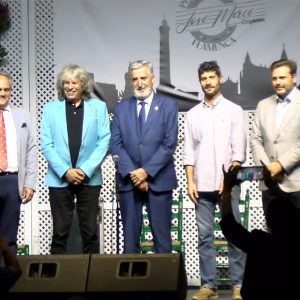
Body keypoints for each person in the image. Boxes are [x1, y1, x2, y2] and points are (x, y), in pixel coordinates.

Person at [183, 61, 246, 300]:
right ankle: (209, 285)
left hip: (227, 187)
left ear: (220, 78)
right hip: (201, 186)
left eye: (212, 77)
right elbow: (189, 152)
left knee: (235, 236)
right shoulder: (192, 114)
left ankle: (238, 284)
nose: (208, 82)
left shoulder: (234, 111)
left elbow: (239, 152)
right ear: (200, 81)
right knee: (204, 237)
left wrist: (228, 182)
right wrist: (190, 182)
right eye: (204, 78)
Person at [40, 64, 110, 254]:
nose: (70, 87)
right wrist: (66, 171)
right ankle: (55, 281)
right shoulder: (50, 109)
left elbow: (104, 141)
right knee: (59, 233)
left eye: (74, 82)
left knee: (90, 233)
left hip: (89, 179)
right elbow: (46, 144)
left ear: (83, 85)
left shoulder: (98, 107)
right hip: (59, 180)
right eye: (66, 83)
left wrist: (84, 170)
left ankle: (92, 279)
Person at [110, 59, 178, 254]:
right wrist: (134, 174)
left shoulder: (168, 106)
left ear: (153, 78)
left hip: (159, 181)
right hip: (128, 182)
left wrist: (146, 172)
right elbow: (115, 144)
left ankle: (163, 284)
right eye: (135, 79)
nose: (139, 83)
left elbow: (169, 144)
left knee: (162, 241)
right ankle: (130, 284)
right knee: (129, 242)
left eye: (143, 78)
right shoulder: (121, 108)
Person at [220, 165, 300, 299]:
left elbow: (229, 226)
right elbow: (289, 212)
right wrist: (274, 186)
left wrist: (227, 189)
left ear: (269, 223)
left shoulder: (260, 243)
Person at [251, 59, 300, 217]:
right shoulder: (263, 105)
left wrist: (280, 165)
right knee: (273, 237)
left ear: (294, 77)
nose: (278, 82)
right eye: (274, 78)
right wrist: (267, 169)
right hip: (269, 185)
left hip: (296, 185)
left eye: (282, 78)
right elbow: (256, 140)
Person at [0, 72, 37, 254]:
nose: (3, 93)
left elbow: (31, 150)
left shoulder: (23, 115)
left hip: (12, 181)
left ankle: (9, 278)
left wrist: (29, 183)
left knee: (9, 237)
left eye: (7, 89)